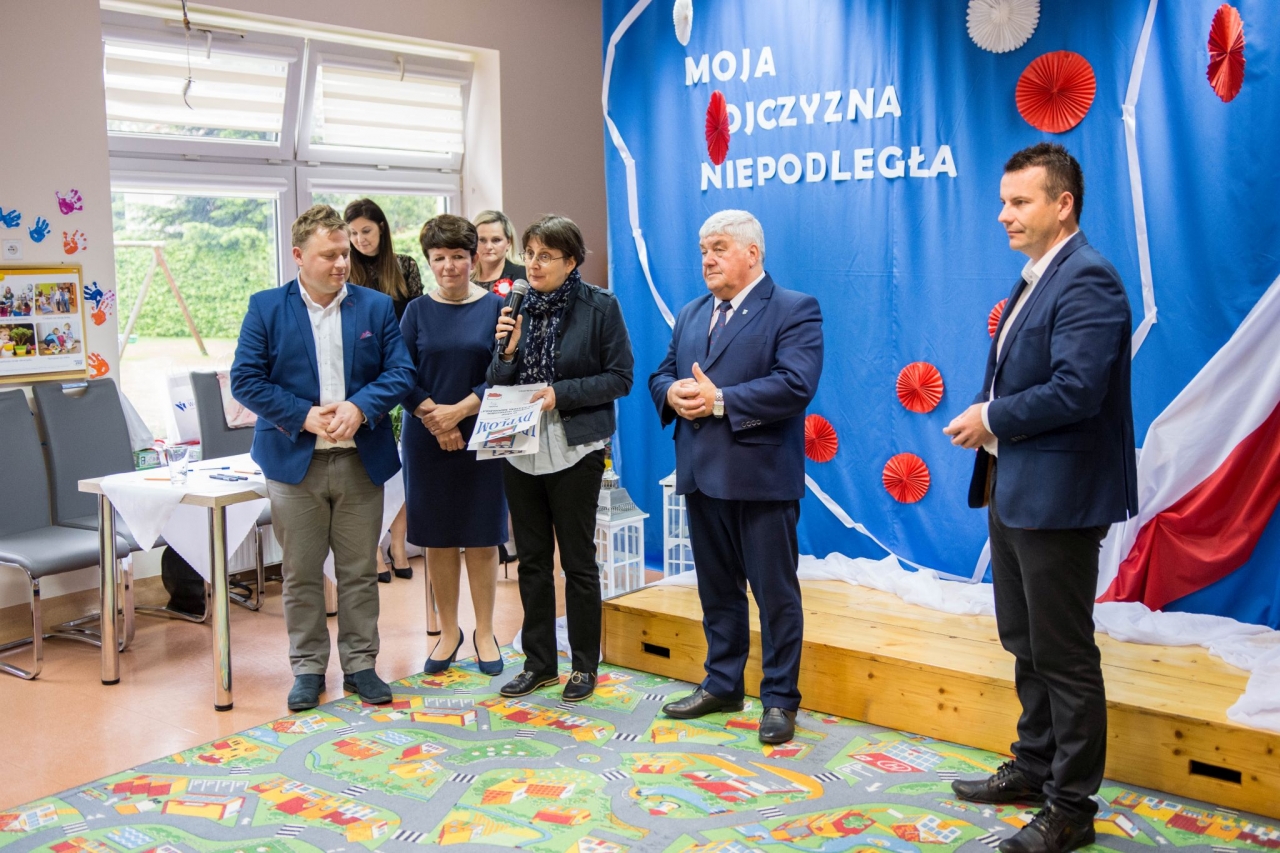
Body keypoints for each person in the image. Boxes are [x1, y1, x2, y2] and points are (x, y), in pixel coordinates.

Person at [943, 143, 1137, 853]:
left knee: (1064, 654)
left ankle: (1071, 809)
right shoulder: (1037, 276)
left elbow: (1077, 390)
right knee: (1025, 641)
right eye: (1003, 201)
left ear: (1064, 204)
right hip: (1016, 488)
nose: (1004, 214)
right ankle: (1034, 765)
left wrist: (991, 417)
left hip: (1060, 496)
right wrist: (991, 416)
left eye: (1020, 201)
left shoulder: (1088, 278)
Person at [230, 204, 415, 712]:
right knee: (301, 573)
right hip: (295, 462)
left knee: (359, 571)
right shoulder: (266, 308)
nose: (341, 263)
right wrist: (304, 416)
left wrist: (360, 407)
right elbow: (245, 380)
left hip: (360, 460)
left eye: (344, 253)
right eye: (329, 255)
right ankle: (308, 669)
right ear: (298, 255)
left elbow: (401, 373)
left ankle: (360, 665)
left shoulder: (376, 307)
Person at [648, 209, 823, 745]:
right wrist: (673, 393)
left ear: (752, 252)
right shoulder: (691, 312)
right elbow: (663, 372)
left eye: (718, 248)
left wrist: (720, 400)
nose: (707, 259)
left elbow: (796, 384)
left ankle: (780, 699)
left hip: (760, 477)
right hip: (701, 474)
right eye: (703, 249)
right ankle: (723, 684)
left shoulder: (794, 308)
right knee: (717, 591)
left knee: (775, 597)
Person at [489, 215, 634, 703]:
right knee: (531, 562)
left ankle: (584, 666)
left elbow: (620, 377)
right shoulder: (515, 307)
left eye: (546, 256)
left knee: (577, 562)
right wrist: (507, 353)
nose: (533, 264)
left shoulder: (600, 306)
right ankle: (539, 664)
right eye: (529, 254)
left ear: (571, 262)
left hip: (575, 447)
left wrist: (560, 394)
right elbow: (496, 379)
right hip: (519, 449)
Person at [400, 214, 507, 676]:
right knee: (438, 540)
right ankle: (448, 632)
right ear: (429, 261)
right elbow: (400, 374)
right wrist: (436, 420)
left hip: (484, 436)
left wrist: (459, 412)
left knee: (482, 537)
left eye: (458, 257)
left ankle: (485, 631)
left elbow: (506, 372)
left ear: (474, 258)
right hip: (427, 439)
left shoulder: (497, 309)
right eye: (439, 257)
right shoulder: (415, 312)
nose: (449, 266)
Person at [344, 198, 425, 583]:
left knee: (400, 468)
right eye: (353, 233)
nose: (360, 239)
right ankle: (375, 548)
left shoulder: (404, 265)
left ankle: (398, 544)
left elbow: (417, 322)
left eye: (366, 231)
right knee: (371, 469)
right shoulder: (345, 268)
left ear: (381, 229)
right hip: (363, 381)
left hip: (400, 375)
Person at [472, 210, 526, 294]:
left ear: (509, 242)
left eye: (496, 240)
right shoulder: (465, 280)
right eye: (482, 240)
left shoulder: (523, 275)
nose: (488, 247)